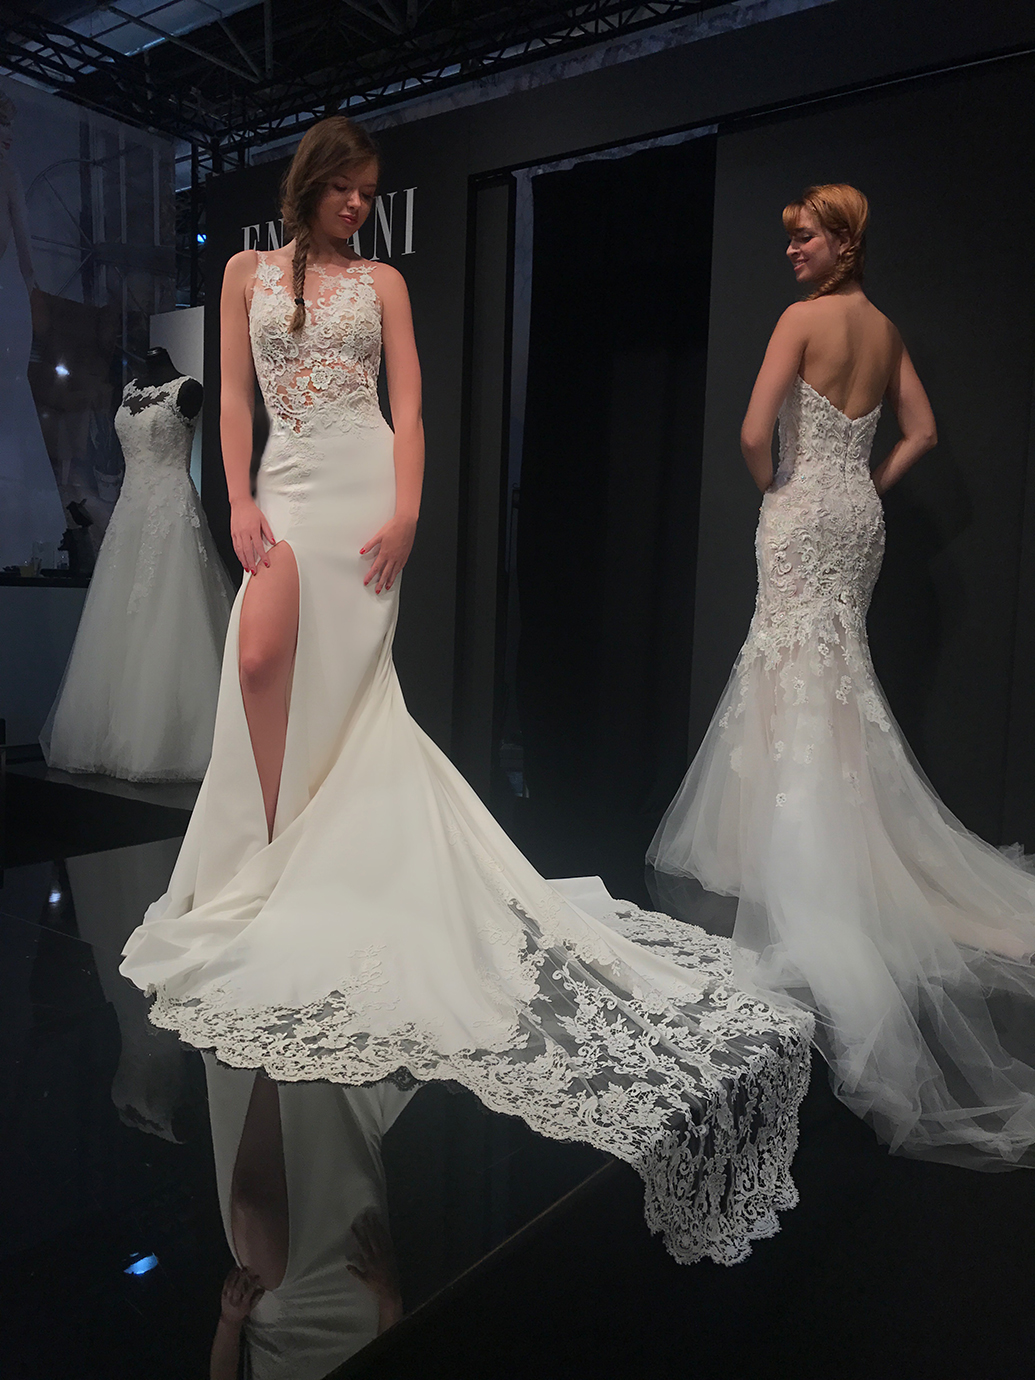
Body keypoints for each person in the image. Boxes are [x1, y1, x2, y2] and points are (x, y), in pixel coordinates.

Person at [119, 117, 811, 1266]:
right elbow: (236, 402)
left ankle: (303, 876)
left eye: (370, 193)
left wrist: (407, 513)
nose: (359, 207)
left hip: (362, 492)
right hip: (284, 488)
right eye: (347, 190)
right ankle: (258, 867)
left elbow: (413, 410)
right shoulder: (246, 274)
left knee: (344, 693)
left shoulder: (384, 284)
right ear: (312, 183)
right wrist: (233, 497)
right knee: (258, 663)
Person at [649, 183, 1035, 1169]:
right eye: (790, 240)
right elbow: (923, 431)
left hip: (801, 512)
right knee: (830, 675)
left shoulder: (801, 321)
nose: (792, 252)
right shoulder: (885, 331)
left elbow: (752, 431)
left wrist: (780, 487)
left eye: (805, 238)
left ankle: (800, 863)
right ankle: (824, 843)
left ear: (842, 242)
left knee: (789, 668)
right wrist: (865, 483)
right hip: (858, 517)